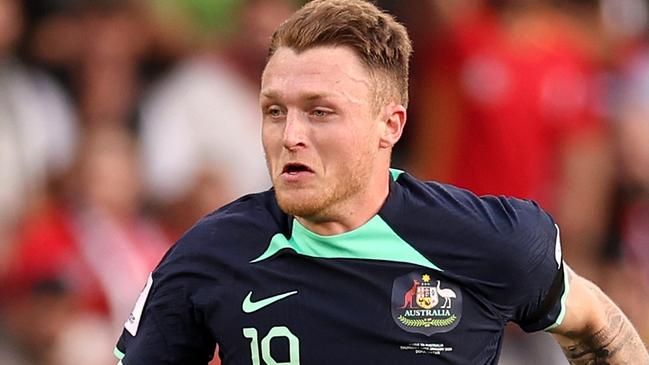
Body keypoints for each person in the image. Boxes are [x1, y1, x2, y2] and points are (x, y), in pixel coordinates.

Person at [114, 1, 649, 364]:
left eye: (320, 112)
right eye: (274, 111)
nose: (290, 135)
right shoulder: (209, 254)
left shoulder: (492, 242)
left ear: (389, 125)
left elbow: (599, 325)